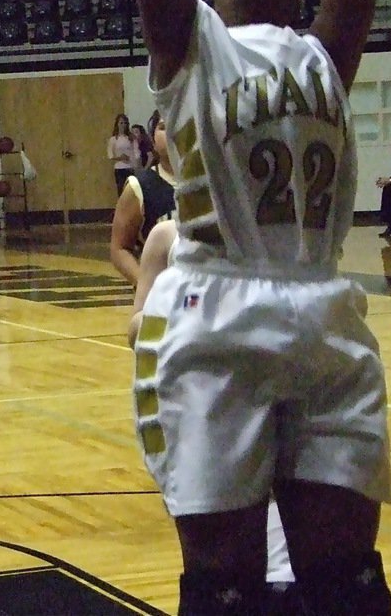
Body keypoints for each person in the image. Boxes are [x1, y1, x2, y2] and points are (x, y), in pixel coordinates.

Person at [91, 0, 391, 611]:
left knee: (347, 581)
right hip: (216, 307)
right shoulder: (191, 48)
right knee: (224, 584)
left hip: (322, 301)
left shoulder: (323, 52)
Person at [128, 221, 297, 609]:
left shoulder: (283, 234)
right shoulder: (167, 236)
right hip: (206, 396)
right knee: (225, 541)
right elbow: (135, 326)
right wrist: (185, 315)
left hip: (280, 375)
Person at [110, 112, 176, 286]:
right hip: (163, 297)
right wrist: (145, 284)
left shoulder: (215, 182)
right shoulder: (139, 186)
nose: (171, 132)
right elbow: (119, 249)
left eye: (178, 122)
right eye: (163, 127)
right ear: (153, 139)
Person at [108, 112, 139, 194]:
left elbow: (136, 153)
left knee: (131, 191)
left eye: (125, 123)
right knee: (121, 190)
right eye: (121, 123)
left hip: (130, 167)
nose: (123, 125)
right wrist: (120, 158)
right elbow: (110, 155)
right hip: (119, 168)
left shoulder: (131, 138)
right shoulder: (113, 139)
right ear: (117, 124)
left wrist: (136, 165)